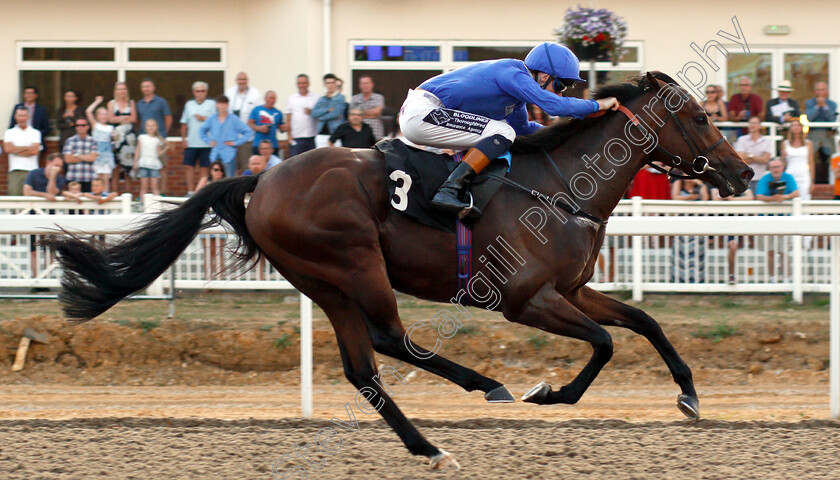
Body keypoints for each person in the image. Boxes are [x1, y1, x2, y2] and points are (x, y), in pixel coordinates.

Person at [399, 42, 618, 214]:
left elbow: (526, 129)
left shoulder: (515, 99)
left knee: (506, 132)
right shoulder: (513, 73)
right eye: (561, 85)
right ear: (543, 76)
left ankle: (459, 188)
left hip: (427, 115)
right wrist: (599, 105)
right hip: (423, 111)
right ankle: (450, 189)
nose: (562, 92)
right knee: (503, 132)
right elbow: (554, 106)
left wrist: (571, 139)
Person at [756, 157, 799, 282]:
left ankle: (786, 278)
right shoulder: (765, 178)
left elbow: (796, 193)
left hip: (785, 220)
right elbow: (759, 195)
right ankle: (772, 278)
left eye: (778, 166)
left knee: (784, 251)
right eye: (773, 167)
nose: (776, 169)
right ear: (769, 168)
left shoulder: (788, 177)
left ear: (782, 167)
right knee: (770, 251)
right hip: (768, 220)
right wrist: (773, 198)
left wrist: (785, 197)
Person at [200, 95, 254, 178]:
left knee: (229, 179)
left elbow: (248, 131)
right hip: (215, 153)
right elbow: (202, 130)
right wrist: (208, 141)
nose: (221, 106)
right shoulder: (212, 119)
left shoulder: (233, 119)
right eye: (219, 104)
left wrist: (236, 142)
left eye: (223, 104)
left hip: (229, 154)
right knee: (214, 179)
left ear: (227, 105)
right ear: (216, 105)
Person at [711, 185, 754, 284]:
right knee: (732, 246)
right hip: (724, 221)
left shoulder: (739, 183)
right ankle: (732, 275)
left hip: (739, 221)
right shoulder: (719, 182)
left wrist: (731, 198)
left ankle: (734, 275)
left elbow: (750, 197)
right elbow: (714, 197)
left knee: (735, 247)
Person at [670, 178, 709, 284]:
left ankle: (697, 280)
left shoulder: (700, 185)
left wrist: (700, 184)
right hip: (681, 223)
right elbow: (675, 197)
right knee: (679, 252)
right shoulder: (678, 183)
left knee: (697, 252)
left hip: (697, 224)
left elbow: (705, 199)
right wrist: (689, 198)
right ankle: (678, 279)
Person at [180, 81, 216, 195]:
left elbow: (216, 121)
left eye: (202, 91)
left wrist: (204, 118)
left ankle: (201, 193)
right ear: (194, 92)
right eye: (197, 91)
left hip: (207, 143)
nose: (200, 93)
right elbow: (184, 123)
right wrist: (183, 138)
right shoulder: (189, 105)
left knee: (205, 168)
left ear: (206, 92)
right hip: (191, 142)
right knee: (188, 167)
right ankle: (190, 192)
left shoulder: (212, 104)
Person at [137, 78, 172, 191]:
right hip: (145, 141)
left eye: (148, 86)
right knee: (145, 168)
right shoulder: (140, 103)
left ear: (153, 88)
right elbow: (138, 120)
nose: (146, 89)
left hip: (158, 139)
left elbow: (168, 118)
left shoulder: (161, 102)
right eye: (144, 87)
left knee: (162, 167)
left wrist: (161, 133)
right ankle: (146, 196)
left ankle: (161, 193)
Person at [225, 72, 262, 174]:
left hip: (247, 138)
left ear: (247, 81)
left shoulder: (255, 93)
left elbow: (259, 113)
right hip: (230, 138)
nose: (242, 82)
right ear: (236, 81)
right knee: (230, 167)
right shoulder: (229, 92)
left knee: (246, 166)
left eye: (244, 79)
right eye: (240, 79)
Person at [107, 82, 138, 193]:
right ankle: (115, 193)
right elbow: (110, 119)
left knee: (127, 169)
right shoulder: (111, 103)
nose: (122, 91)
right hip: (116, 138)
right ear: (116, 91)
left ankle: (127, 196)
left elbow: (134, 118)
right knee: (115, 167)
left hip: (129, 138)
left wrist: (118, 118)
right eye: (119, 89)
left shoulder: (131, 103)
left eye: (124, 89)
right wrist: (125, 117)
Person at [4, 107, 42, 195]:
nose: (22, 118)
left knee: (31, 198)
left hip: (32, 170)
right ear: (15, 117)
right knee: (14, 197)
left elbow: (35, 151)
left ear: (28, 116)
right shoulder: (9, 132)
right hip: (15, 170)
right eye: (20, 115)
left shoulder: (35, 132)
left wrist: (16, 150)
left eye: (24, 115)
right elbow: (8, 149)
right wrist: (27, 147)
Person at [9, 86, 50, 163]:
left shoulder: (41, 109)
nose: (28, 95)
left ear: (36, 95)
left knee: (33, 166)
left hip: (35, 143)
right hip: (18, 142)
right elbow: (12, 125)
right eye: (26, 93)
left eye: (31, 93)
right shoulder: (17, 107)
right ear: (24, 95)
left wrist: (34, 135)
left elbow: (46, 128)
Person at [733, 116, 772, 192]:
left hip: (761, 178)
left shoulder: (766, 141)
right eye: (750, 123)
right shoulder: (742, 139)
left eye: (754, 123)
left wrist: (750, 156)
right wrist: (759, 158)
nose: (752, 125)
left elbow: (766, 160)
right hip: (744, 179)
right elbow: (740, 160)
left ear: (760, 126)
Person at [780, 119, 814, 200]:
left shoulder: (808, 143)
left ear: (801, 128)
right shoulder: (785, 143)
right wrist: (783, 157)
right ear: (790, 128)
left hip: (804, 176)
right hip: (790, 174)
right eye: (793, 125)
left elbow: (811, 162)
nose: (795, 127)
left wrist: (812, 180)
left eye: (797, 125)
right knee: (790, 201)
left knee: (805, 201)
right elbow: (783, 163)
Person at [85, 96, 116, 187]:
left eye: (106, 114)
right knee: (97, 179)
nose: (104, 116)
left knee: (106, 179)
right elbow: (88, 111)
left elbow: (113, 142)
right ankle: (97, 195)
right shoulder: (95, 125)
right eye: (102, 114)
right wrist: (97, 102)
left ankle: (105, 195)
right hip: (97, 155)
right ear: (97, 116)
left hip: (107, 155)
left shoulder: (110, 128)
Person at [61, 117, 98, 192]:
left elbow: (93, 158)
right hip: (73, 177)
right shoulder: (70, 140)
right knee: (73, 202)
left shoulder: (93, 141)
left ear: (88, 126)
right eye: (77, 125)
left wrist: (76, 155)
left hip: (89, 177)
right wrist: (86, 156)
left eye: (83, 125)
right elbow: (68, 159)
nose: (80, 127)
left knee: (88, 202)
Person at [285, 74, 318, 157]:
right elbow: (288, 118)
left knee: (312, 162)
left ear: (308, 83)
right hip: (296, 137)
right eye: (299, 83)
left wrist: (312, 112)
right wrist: (289, 136)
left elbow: (320, 114)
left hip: (312, 136)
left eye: (304, 83)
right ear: (297, 85)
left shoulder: (316, 97)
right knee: (295, 164)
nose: (302, 85)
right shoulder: (292, 98)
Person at [134, 118, 168, 197]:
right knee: (143, 187)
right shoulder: (142, 137)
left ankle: (157, 205)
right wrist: (135, 162)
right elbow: (137, 151)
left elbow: (158, 153)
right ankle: (142, 205)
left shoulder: (157, 140)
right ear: (145, 127)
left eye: (153, 126)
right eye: (149, 126)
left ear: (156, 127)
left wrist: (165, 149)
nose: (151, 128)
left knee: (155, 187)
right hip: (143, 163)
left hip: (154, 164)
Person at [805, 81, 838, 162]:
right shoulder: (809, 103)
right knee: (810, 158)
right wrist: (817, 106)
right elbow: (809, 117)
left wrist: (824, 106)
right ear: (815, 91)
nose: (820, 92)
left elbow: (832, 119)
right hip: (813, 134)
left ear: (826, 91)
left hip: (827, 135)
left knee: (832, 157)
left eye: (822, 90)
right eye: (818, 90)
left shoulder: (832, 104)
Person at [350, 75, 386, 141]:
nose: (365, 86)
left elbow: (377, 112)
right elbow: (352, 115)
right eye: (363, 84)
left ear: (372, 84)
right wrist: (372, 114)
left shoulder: (378, 97)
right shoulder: (354, 99)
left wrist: (360, 113)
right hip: (358, 130)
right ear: (360, 86)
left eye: (367, 83)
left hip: (375, 129)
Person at [248, 91, 284, 155]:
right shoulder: (256, 110)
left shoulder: (278, 113)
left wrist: (285, 127)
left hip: (273, 145)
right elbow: (250, 123)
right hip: (258, 145)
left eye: (274, 98)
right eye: (270, 98)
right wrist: (259, 128)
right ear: (265, 98)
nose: (272, 100)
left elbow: (281, 128)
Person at [312, 73, 347, 139]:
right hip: (321, 133)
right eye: (328, 83)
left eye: (332, 83)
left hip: (335, 133)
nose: (330, 85)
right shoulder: (321, 99)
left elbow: (336, 113)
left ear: (335, 84)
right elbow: (314, 113)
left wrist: (321, 118)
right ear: (324, 84)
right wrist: (327, 110)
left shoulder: (340, 98)